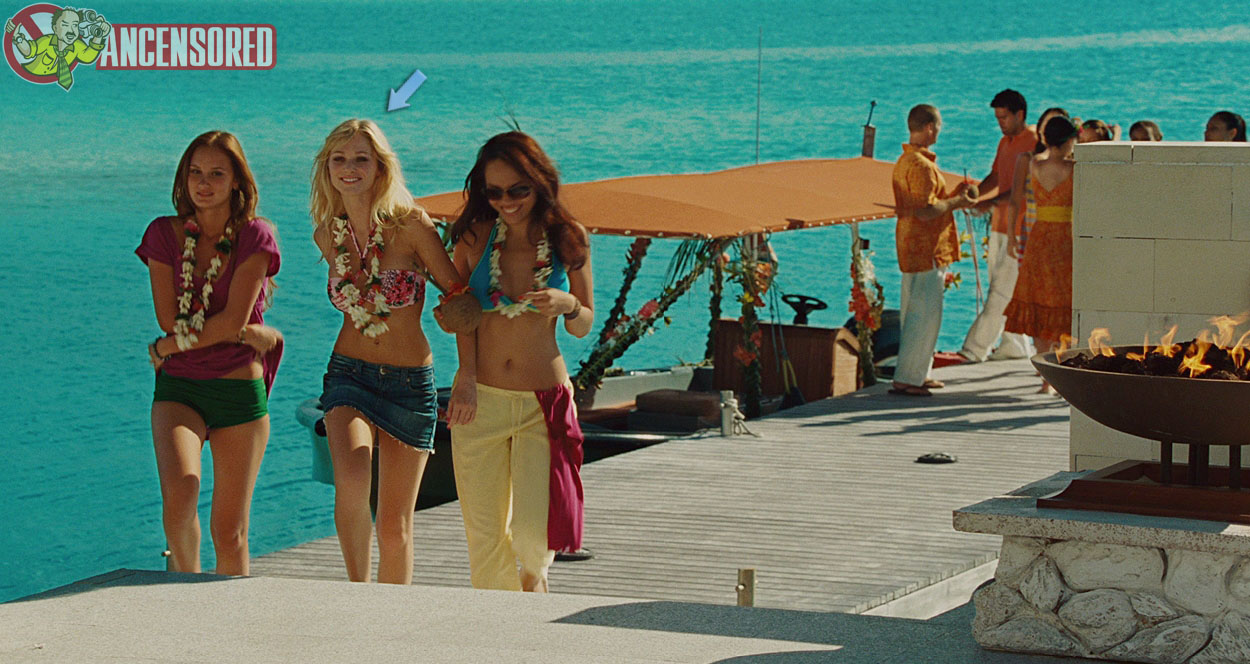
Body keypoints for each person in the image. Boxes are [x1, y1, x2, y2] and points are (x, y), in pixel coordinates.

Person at [311, 119, 463, 584]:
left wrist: (469, 372)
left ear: (380, 167)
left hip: (408, 382)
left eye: (361, 159)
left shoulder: (412, 225)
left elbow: (459, 296)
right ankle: (356, 593)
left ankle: (391, 615)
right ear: (327, 168)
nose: (349, 168)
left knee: (395, 527)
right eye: (339, 159)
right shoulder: (327, 234)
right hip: (348, 375)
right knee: (352, 483)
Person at [446, 131, 594, 590]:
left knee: (534, 537)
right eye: (494, 192)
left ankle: (531, 599)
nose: (506, 202)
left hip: (541, 402)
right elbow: (461, 313)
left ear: (539, 182)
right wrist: (465, 376)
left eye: (517, 190)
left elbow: (583, 324)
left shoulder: (567, 237)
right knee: (485, 538)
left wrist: (568, 304)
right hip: (480, 400)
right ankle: (499, 628)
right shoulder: (474, 237)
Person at [136, 130, 283, 575]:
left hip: (238, 393)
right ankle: (185, 594)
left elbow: (233, 321)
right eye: (196, 173)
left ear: (237, 180)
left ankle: (230, 613)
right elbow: (169, 316)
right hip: (180, 389)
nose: (204, 183)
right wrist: (176, 338)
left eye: (217, 174)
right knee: (179, 501)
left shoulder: (255, 235)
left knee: (230, 531)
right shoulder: (164, 233)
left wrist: (167, 346)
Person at [890, 105, 976, 396]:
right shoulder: (922, 166)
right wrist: (957, 202)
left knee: (914, 312)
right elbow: (926, 210)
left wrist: (951, 196)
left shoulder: (905, 161)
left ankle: (917, 373)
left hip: (911, 244)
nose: (939, 132)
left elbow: (927, 203)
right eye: (938, 126)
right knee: (925, 316)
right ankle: (909, 378)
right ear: (929, 127)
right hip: (926, 246)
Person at [959, 89, 1036, 363]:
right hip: (999, 227)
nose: (1000, 123)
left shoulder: (1034, 141)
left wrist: (988, 202)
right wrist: (975, 195)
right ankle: (1015, 346)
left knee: (999, 292)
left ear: (1020, 114)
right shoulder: (1005, 142)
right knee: (1003, 289)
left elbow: (1024, 187)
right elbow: (995, 176)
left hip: (1021, 229)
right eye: (997, 118)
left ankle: (974, 349)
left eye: (1004, 117)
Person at [1004, 116, 1078, 393]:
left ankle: (1046, 377)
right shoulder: (1073, 167)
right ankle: (1061, 373)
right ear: (1069, 141)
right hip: (1065, 239)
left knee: (1039, 303)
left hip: (1039, 237)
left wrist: (1011, 236)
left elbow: (1015, 201)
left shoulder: (1033, 164)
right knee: (1064, 304)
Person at [5, 7, 111, 89]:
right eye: (65, 25)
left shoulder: (77, 45)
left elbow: (88, 56)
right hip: (27, 80)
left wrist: (99, 36)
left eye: (75, 25)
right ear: (55, 29)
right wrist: (17, 37)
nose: (71, 31)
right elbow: (28, 51)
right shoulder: (47, 41)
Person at [1015, 107, 1070, 258]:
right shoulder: (1030, 160)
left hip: (1060, 231)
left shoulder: (1069, 164)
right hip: (1035, 227)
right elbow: (1015, 199)